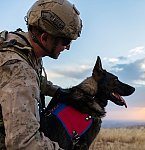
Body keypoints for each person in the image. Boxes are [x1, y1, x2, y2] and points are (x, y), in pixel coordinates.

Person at [0, 0, 83, 149]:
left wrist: (57, 91)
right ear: (44, 38)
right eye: (65, 41)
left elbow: (39, 80)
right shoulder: (20, 72)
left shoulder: (19, 44)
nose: (68, 47)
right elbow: (24, 143)